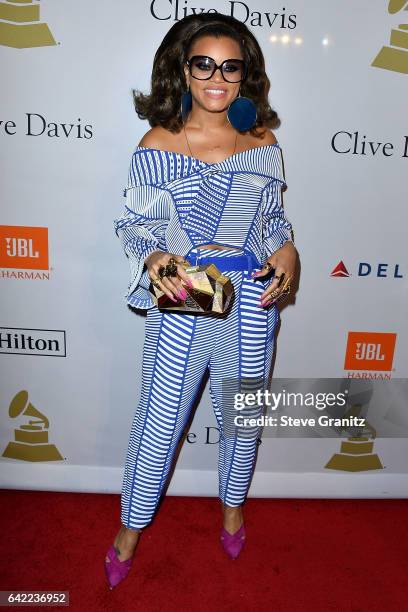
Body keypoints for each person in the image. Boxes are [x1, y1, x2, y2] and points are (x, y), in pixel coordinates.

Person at [105, 12, 298, 589]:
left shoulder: (263, 143)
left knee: (243, 420)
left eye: (231, 66)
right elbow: (135, 227)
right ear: (182, 69)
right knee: (159, 424)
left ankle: (233, 505)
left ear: (246, 76)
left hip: (249, 303)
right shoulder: (157, 143)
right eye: (204, 63)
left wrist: (288, 253)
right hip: (185, 294)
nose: (218, 76)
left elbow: (271, 223)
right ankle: (129, 530)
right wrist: (155, 257)